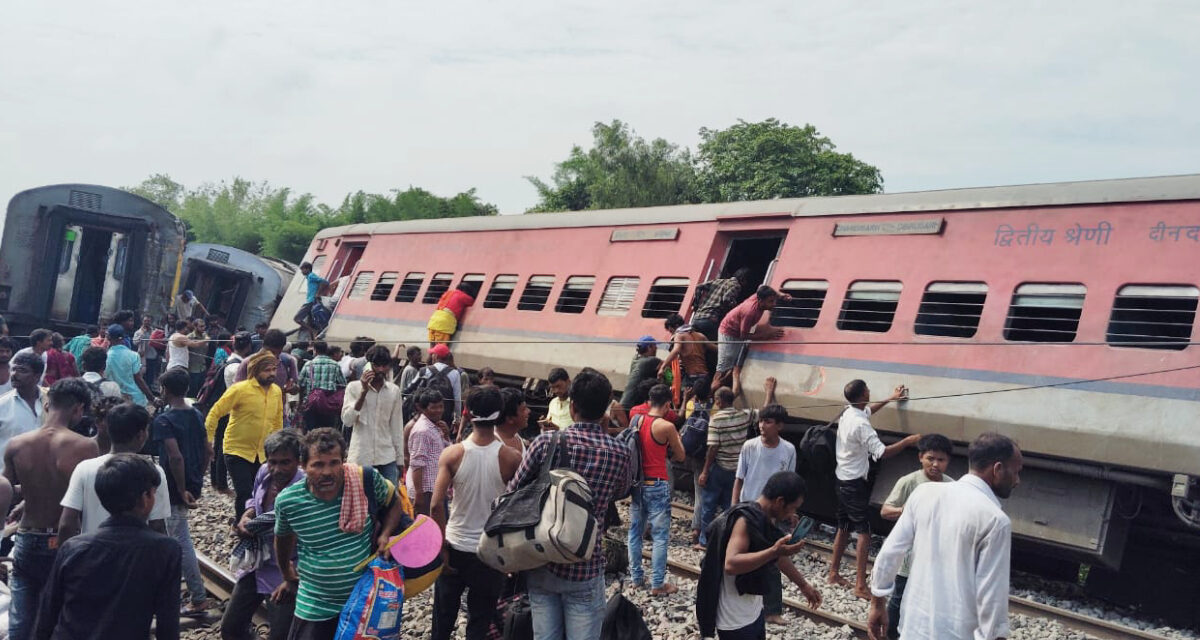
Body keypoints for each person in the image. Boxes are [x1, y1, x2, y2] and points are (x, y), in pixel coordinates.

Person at [506, 370, 631, 640]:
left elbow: (512, 492)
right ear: (605, 409)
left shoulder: (544, 443)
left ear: (572, 407)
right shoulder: (619, 451)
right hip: (585, 563)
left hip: (542, 558)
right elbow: (620, 491)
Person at [867, 433, 1022, 640]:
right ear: (997, 469)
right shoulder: (995, 520)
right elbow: (991, 598)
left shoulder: (923, 494)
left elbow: (889, 553)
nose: (1017, 480)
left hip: (913, 629)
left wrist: (877, 603)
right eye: (1016, 472)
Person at [34, 454, 181, 640]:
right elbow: (167, 624)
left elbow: (48, 613)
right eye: (152, 492)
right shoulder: (166, 550)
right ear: (145, 498)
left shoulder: (73, 548)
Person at [275, 428, 404, 640]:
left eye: (334, 462)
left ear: (343, 462)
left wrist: (386, 534)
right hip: (315, 604)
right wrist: (287, 574)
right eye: (318, 464)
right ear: (304, 466)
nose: (327, 471)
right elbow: (282, 540)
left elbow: (395, 503)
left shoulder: (363, 481)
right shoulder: (289, 502)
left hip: (364, 601)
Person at [3, 379, 100, 640]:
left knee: (21, 620)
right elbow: (86, 498)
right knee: (61, 618)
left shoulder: (16, 444)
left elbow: (8, 488)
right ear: (79, 409)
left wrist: (26, 500)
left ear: (47, 404)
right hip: (66, 539)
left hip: (27, 536)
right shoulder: (86, 446)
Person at [430, 387, 522, 640]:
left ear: (468, 414)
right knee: (480, 621)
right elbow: (518, 506)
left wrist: (441, 546)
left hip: (455, 545)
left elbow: (436, 504)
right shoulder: (511, 457)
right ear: (500, 414)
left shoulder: (453, 454)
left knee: (442, 618)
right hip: (489, 551)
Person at [696, 471, 822, 640]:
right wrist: (773, 552)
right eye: (792, 508)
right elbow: (731, 564)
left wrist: (803, 585)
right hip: (734, 619)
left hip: (753, 611)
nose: (792, 513)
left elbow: (779, 556)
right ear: (779, 502)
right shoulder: (745, 520)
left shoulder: (765, 517)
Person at [828, 379, 921, 599]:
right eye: (867, 390)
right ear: (862, 395)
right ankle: (860, 585)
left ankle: (833, 574)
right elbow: (882, 452)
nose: (870, 391)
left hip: (841, 478)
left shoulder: (848, 412)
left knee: (843, 526)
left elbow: (868, 410)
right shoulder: (861, 425)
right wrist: (908, 441)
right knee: (864, 532)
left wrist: (890, 398)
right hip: (854, 484)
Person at [221, 430, 305, 640]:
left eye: (285, 462)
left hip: (286, 569)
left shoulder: (304, 488)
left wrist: (293, 578)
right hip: (257, 562)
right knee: (231, 628)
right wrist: (247, 515)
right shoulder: (263, 473)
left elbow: (311, 541)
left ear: (298, 461)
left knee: (280, 635)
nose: (277, 469)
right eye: (272, 462)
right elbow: (252, 500)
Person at [59, 402, 171, 541]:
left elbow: (66, 525)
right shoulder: (153, 471)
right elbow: (157, 526)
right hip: (138, 557)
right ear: (141, 435)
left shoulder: (84, 468)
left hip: (94, 554)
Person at [878, 434, 954, 639]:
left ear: (948, 462)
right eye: (931, 458)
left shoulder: (951, 486)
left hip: (936, 556)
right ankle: (891, 634)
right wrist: (908, 510)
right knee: (899, 599)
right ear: (921, 457)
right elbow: (885, 511)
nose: (935, 464)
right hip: (908, 557)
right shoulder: (909, 482)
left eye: (941, 460)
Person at [153, 368, 214, 617]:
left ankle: (197, 598)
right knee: (179, 536)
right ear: (187, 389)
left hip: (173, 486)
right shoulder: (197, 414)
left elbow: (175, 457)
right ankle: (185, 590)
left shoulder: (163, 420)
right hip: (191, 482)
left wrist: (180, 488)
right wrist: (196, 479)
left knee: (177, 541)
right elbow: (208, 451)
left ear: (164, 390)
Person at [731, 402, 797, 624]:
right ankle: (743, 602)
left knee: (773, 560)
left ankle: (772, 610)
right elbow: (739, 479)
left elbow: (790, 483)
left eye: (767, 422)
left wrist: (791, 512)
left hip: (774, 514)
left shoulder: (788, 450)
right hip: (748, 510)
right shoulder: (749, 446)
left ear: (779, 426)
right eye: (760, 421)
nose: (762, 425)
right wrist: (734, 507)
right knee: (742, 557)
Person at [697, 378, 777, 549]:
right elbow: (764, 412)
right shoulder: (743, 415)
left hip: (720, 468)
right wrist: (769, 392)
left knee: (709, 505)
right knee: (730, 506)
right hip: (737, 470)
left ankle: (704, 541)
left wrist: (705, 471)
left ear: (718, 401)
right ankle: (727, 539)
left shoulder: (716, 419)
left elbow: (713, 448)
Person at [207, 352, 284, 521]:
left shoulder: (276, 392)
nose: (271, 374)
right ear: (256, 370)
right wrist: (209, 441)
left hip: (263, 452)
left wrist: (279, 448)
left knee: (261, 491)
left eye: (274, 369)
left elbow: (278, 421)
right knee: (244, 491)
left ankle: (257, 524)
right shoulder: (239, 389)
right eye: (267, 370)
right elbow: (215, 413)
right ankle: (241, 525)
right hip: (237, 449)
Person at [627, 384, 686, 596]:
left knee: (635, 532)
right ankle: (657, 584)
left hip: (637, 483)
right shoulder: (666, 426)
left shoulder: (636, 419)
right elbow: (681, 456)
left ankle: (636, 579)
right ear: (668, 404)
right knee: (660, 536)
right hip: (657, 483)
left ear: (649, 401)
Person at [342, 345, 405, 484]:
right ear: (369, 365)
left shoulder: (394, 391)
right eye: (377, 366)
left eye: (385, 365)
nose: (381, 370)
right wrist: (363, 392)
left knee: (390, 502)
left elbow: (397, 427)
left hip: (387, 457)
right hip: (361, 456)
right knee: (361, 501)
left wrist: (400, 460)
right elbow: (347, 421)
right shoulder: (353, 387)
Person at [714, 286, 789, 398]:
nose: (774, 304)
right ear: (760, 301)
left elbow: (761, 287)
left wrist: (780, 295)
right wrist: (765, 336)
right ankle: (705, 400)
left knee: (731, 367)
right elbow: (743, 335)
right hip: (729, 332)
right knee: (723, 369)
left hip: (738, 331)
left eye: (774, 300)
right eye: (770, 301)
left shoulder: (758, 295)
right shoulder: (750, 312)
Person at [210, 332, 254, 497]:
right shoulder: (237, 366)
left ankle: (216, 480)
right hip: (231, 410)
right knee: (223, 446)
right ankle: (221, 483)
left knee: (219, 443)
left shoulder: (230, 361)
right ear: (248, 346)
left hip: (224, 407)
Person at [0, 352, 47, 474]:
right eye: (13, 369)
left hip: (45, 478)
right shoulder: (2, 405)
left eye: (22, 370)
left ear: (37, 376)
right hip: (9, 478)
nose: (14, 374)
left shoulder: (53, 400)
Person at [407, 389, 449, 515]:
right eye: (433, 407)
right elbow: (417, 464)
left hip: (436, 487)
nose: (439, 410)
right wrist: (419, 494)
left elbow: (444, 451)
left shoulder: (436, 426)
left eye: (440, 406)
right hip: (426, 491)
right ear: (423, 409)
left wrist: (446, 435)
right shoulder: (422, 430)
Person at [690, 267, 753, 345]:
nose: (745, 285)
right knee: (715, 346)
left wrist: (695, 304)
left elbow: (699, 287)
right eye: (746, 282)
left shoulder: (718, 281)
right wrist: (737, 308)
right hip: (710, 320)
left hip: (697, 318)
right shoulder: (736, 285)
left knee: (696, 345)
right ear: (743, 279)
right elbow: (726, 299)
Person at [235, 329, 300, 402]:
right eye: (269, 351)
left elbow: (296, 388)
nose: (270, 355)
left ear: (281, 350)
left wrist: (291, 388)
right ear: (263, 346)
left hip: (278, 411)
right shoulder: (247, 363)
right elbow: (237, 391)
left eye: (275, 352)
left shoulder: (288, 361)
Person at [298, 341, 347, 431]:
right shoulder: (335, 365)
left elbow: (301, 384)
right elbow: (343, 384)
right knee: (327, 433)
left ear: (315, 350)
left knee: (312, 433)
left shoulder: (309, 364)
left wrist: (301, 403)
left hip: (311, 404)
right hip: (329, 405)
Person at [659, 313, 716, 390]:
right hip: (704, 375)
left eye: (671, 330)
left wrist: (663, 367)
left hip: (692, 377)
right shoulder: (700, 335)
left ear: (675, 326)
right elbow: (716, 349)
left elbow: (676, 350)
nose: (672, 334)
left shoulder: (679, 335)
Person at [105, 324, 156, 407]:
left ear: (108, 338)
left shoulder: (106, 356)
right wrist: (152, 398)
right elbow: (138, 379)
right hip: (136, 400)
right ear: (123, 338)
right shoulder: (133, 355)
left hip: (115, 400)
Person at [619, 336, 661, 411]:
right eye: (655, 346)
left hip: (624, 402)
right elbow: (668, 363)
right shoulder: (651, 361)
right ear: (649, 347)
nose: (656, 348)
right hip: (632, 405)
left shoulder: (635, 359)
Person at [294, 262, 330, 338]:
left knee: (297, 318)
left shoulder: (311, 276)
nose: (301, 272)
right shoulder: (309, 277)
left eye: (303, 270)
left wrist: (318, 293)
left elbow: (324, 282)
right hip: (310, 301)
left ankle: (313, 331)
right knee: (310, 321)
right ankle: (313, 337)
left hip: (310, 301)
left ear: (307, 269)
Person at [497, 387, 529, 454]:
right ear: (510, 419)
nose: (528, 411)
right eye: (523, 409)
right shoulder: (495, 446)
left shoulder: (516, 436)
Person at [134, 314, 162, 391]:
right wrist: (142, 334)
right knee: (141, 375)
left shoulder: (154, 332)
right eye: (145, 321)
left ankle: (149, 390)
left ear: (151, 322)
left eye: (148, 321)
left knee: (150, 375)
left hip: (152, 356)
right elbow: (135, 342)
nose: (147, 322)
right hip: (142, 357)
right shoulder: (138, 332)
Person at [540, 367, 572, 431]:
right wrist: (545, 426)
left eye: (558, 386)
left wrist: (559, 430)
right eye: (552, 387)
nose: (556, 391)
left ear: (568, 382)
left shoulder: (577, 404)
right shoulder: (553, 403)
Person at [187, 318, 211, 396]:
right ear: (195, 327)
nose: (203, 328)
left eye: (204, 326)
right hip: (193, 368)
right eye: (201, 326)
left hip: (202, 367)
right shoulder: (190, 337)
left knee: (199, 390)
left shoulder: (205, 336)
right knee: (191, 390)